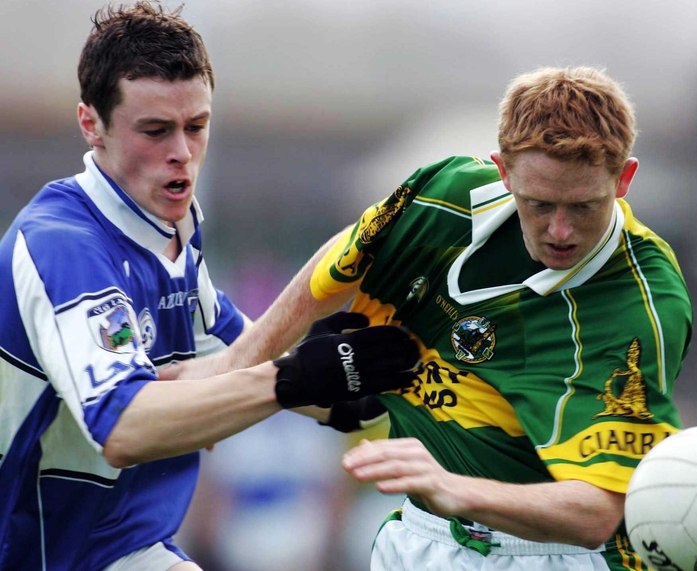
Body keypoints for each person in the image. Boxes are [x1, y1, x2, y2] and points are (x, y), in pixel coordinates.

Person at [171, 66, 693, 570]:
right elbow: (349, 256)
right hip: (422, 539)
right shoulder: (445, 195)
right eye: (539, 204)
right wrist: (235, 365)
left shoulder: (642, 304)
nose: (559, 230)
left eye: (583, 206)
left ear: (624, 179)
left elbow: (597, 514)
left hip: (559, 556)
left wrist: (453, 489)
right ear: (503, 169)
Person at [0, 4, 419, 571]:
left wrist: (362, 382)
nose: (181, 152)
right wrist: (291, 379)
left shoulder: (174, 248)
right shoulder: (64, 245)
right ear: (90, 123)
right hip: (39, 553)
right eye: (155, 131)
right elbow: (124, 427)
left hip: (125, 548)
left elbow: (247, 365)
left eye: (196, 127)